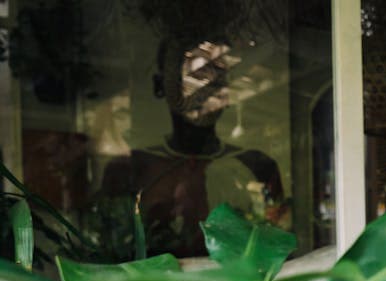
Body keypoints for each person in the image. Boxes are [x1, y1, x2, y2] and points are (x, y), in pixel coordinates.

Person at [100, 38, 287, 257]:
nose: (206, 90)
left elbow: (276, 250)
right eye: (194, 77)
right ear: (160, 85)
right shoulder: (129, 171)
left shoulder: (257, 168)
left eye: (218, 77)